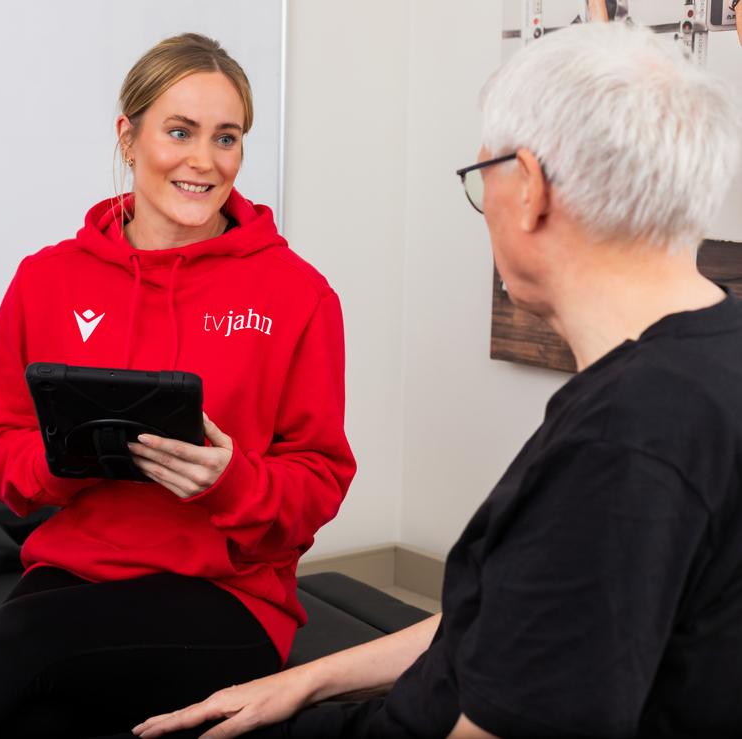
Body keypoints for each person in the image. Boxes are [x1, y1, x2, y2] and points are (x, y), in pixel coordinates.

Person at [132, 21, 742, 739]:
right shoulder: (706, 364)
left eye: (482, 179)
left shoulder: (623, 445)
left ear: (528, 191)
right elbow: (528, 619)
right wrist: (304, 679)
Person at [0, 33, 356, 737]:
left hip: (225, 597)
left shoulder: (297, 295)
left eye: (226, 137)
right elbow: (1, 446)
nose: (204, 160)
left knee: (18, 643)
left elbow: (318, 481)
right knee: (26, 711)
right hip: (73, 577)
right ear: (127, 138)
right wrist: (64, 458)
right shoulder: (46, 280)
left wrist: (229, 481)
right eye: (178, 131)